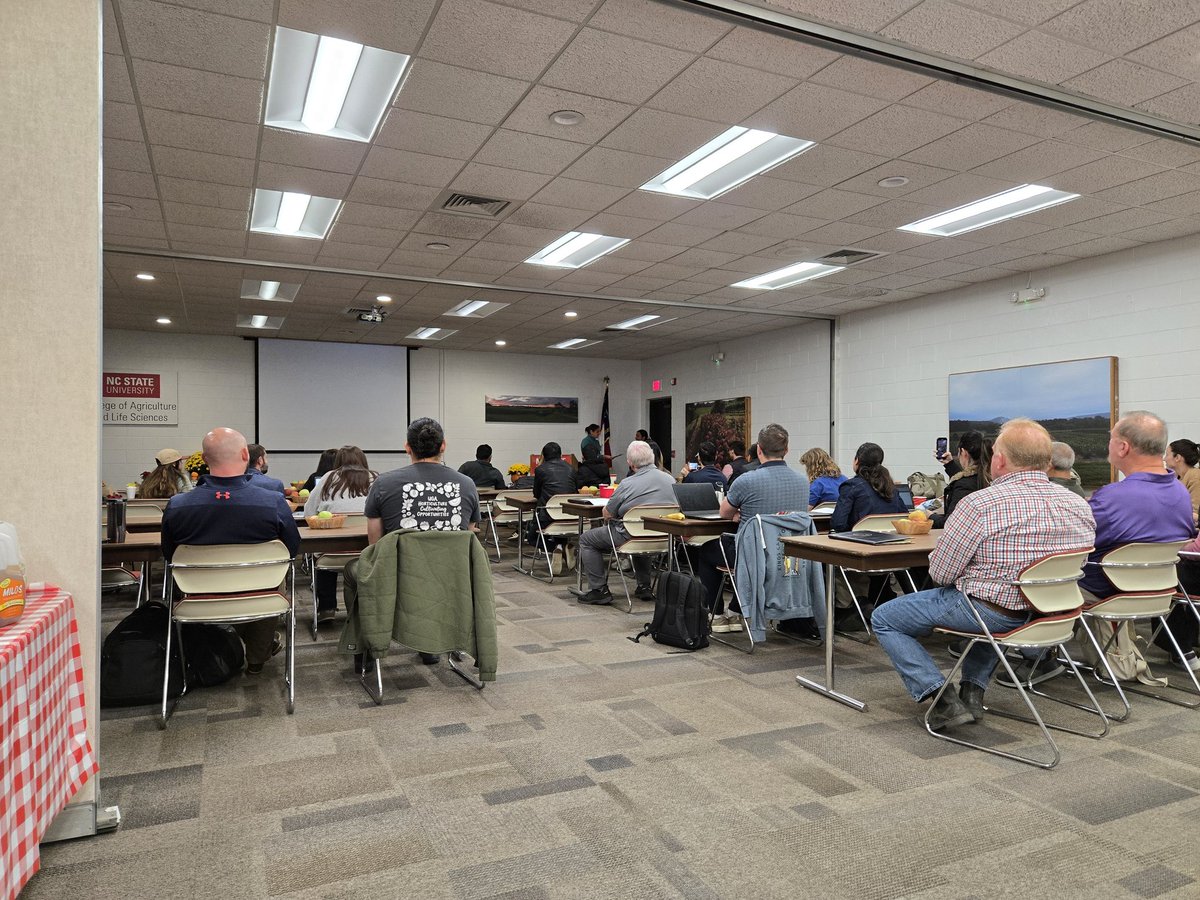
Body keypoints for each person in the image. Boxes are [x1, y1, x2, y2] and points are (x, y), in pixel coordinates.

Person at [870, 418, 1096, 731]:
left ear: (999, 460)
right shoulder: (1078, 504)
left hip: (995, 613)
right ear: (1047, 462)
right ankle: (972, 692)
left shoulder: (980, 504)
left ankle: (942, 698)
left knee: (886, 618)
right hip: (1050, 613)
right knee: (992, 605)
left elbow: (941, 573)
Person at [160, 427, 300, 675]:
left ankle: (218, 645)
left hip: (198, 598)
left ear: (204, 460)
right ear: (246, 455)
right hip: (260, 595)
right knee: (272, 578)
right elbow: (292, 550)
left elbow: (170, 556)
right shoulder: (272, 502)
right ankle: (258, 657)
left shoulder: (177, 506)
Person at [350, 417, 481, 664]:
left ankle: (366, 649)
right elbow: (469, 536)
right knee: (432, 576)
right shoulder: (467, 485)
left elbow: (375, 547)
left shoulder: (384, 483)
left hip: (398, 577)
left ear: (407, 447)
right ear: (443, 446)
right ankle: (430, 645)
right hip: (452, 579)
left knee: (353, 572)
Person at [1079, 412, 1195, 671]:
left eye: (1111, 439)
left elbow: (1076, 543)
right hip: (1160, 593)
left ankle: (1038, 659)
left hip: (1106, 592)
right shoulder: (1180, 492)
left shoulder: (1111, 498)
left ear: (1123, 447)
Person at [693, 424, 809, 633]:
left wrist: (742, 514)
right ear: (787, 450)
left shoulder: (746, 480)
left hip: (752, 555)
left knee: (706, 552)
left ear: (758, 450)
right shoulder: (803, 481)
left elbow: (724, 513)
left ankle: (717, 614)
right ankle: (738, 612)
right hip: (789, 558)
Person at [578, 440, 676, 605]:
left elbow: (607, 514)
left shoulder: (627, 484)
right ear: (653, 457)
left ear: (629, 462)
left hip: (629, 536)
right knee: (641, 529)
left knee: (586, 539)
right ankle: (644, 586)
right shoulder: (670, 480)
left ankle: (599, 589)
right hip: (663, 537)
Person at [304, 445, 377, 622]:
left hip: (330, 555)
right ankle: (367, 607)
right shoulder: (375, 478)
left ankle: (327, 608)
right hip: (367, 551)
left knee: (324, 547)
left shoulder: (328, 478)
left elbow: (309, 512)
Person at [930, 431, 992, 527]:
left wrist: (930, 516)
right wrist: (949, 464)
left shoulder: (965, 485)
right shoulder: (988, 477)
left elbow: (950, 522)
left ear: (963, 452)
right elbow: (968, 479)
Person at [529, 442, 575, 544]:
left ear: (544, 456)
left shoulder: (540, 469)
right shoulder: (571, 469)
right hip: (569, 514)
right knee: (560, 533)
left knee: (532, 538)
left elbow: (536, 494)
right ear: (561, 455)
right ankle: (563, 548)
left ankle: (557, 549)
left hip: (548, 515)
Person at [1167, 438, 1200, 524]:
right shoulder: (1177, 477)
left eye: (1167, 455)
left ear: (1177, 457)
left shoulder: (1195, 477)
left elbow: (1195, 514)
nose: (1164, 459)